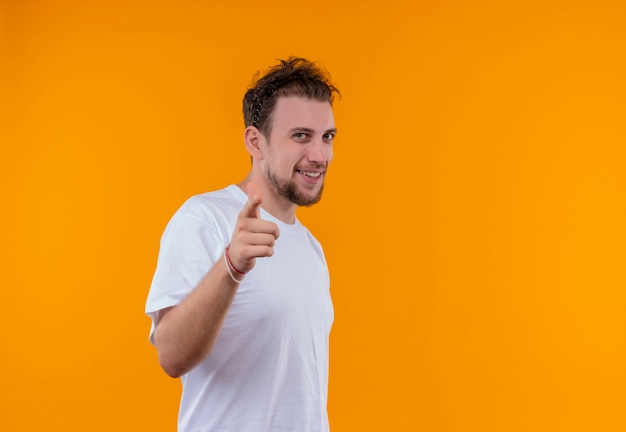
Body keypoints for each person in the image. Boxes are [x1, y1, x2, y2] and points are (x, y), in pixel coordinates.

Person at [145, 57, 340, 432]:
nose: (319, 155)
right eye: (301, 135)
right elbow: (170, 356)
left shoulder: (311, 247)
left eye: (327, 137)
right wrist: (230, 267)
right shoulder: (205, 218)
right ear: (256, 141)